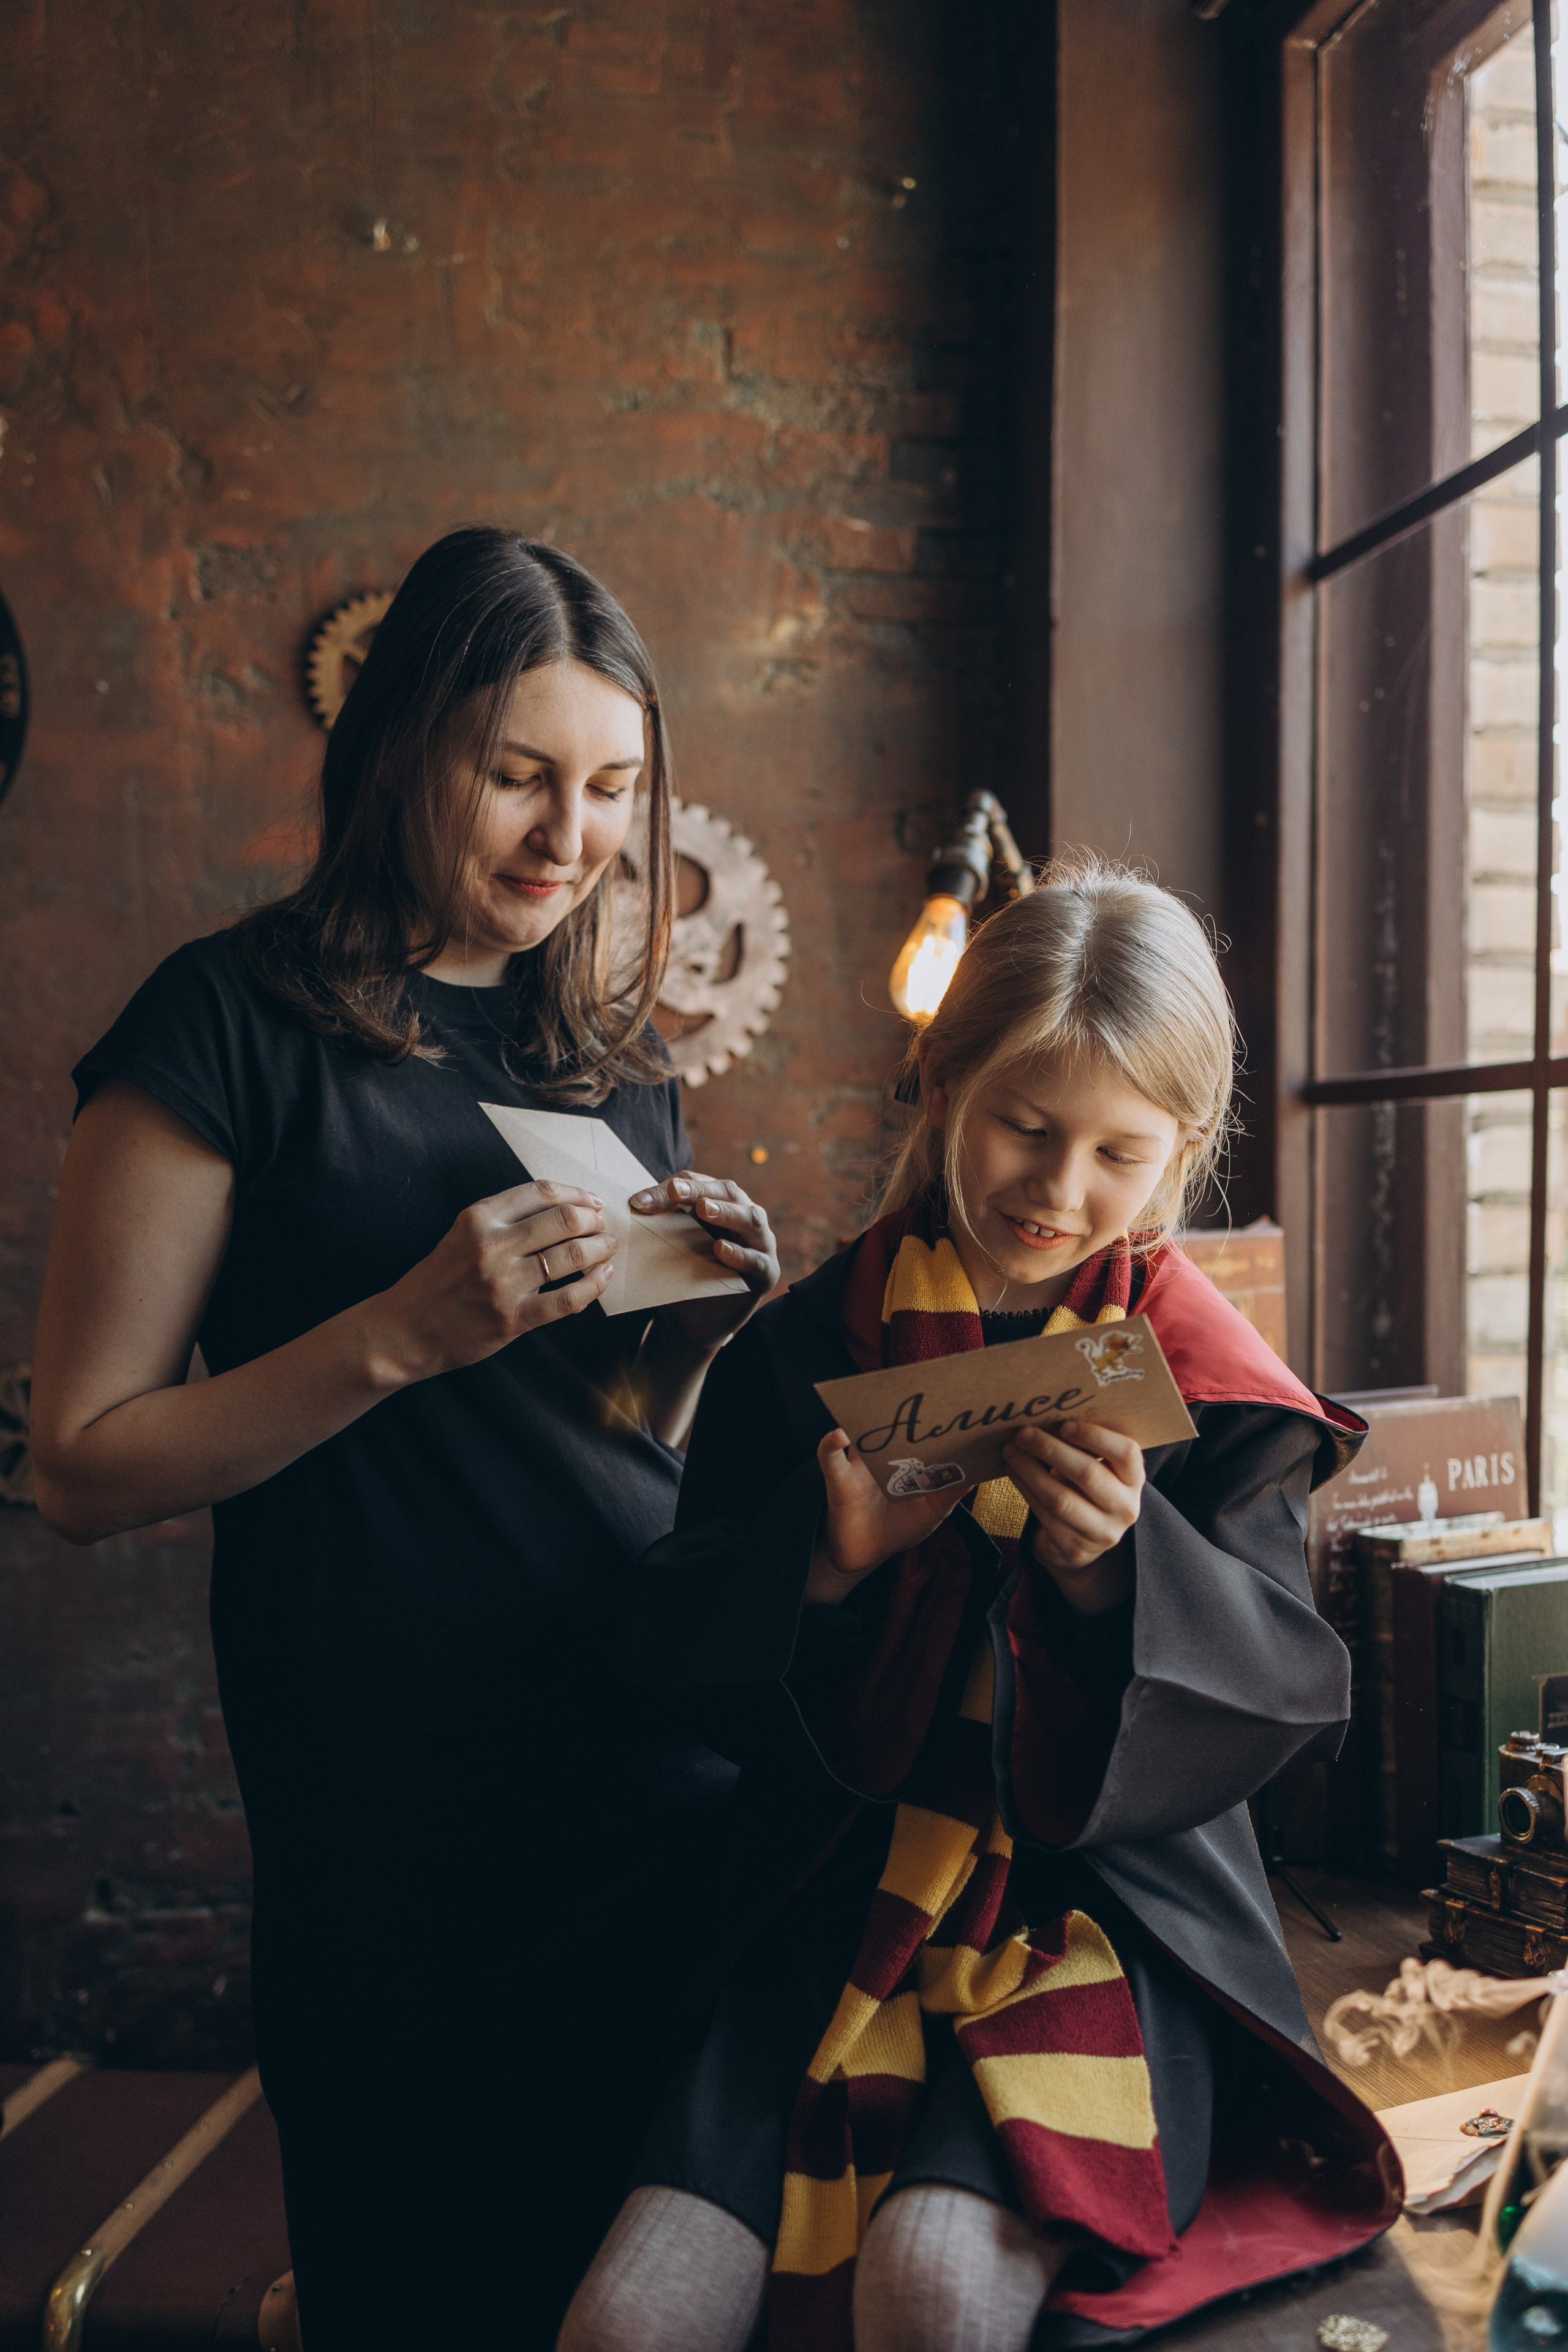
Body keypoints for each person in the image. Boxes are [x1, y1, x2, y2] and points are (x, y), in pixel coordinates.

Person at [28, 528, 780, 2350]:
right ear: (396, 749)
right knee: (421, 2281)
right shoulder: (221, 1025)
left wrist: (692, 1343)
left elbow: (613, 1434)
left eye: (610, 787)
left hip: (649, 1748)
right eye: (517, 773)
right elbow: (81, 1462)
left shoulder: (606, 1052)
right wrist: (392, 1337)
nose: (568, 835)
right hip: (395, 1803)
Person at [564, 860, 1399, 2352]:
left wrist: (1109, 1573)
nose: (1057, 1189)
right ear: (940, 1080)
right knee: (631, 2320)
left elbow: (1281, 1698)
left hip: (1104, 1924)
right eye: (1023, 1124)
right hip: (827, 1901)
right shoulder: (803, 1349)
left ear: (1184, 1151)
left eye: (1117, 1154)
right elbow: (668, 1660)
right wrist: (829, 1565)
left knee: (934, 2284)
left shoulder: (1217, 1397)